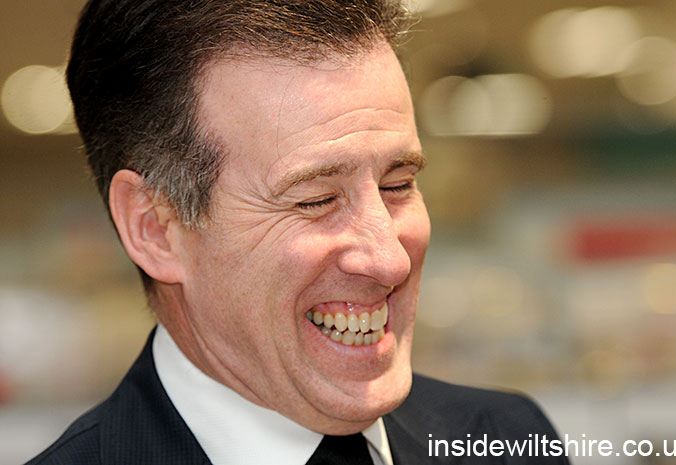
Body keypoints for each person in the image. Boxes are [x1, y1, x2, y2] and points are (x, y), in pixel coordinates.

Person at [28, 1, 568, 464]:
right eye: (316, 200)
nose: (390, 260)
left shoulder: (508, 438)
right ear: (155, 228)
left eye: (398, 184)